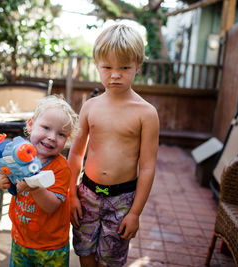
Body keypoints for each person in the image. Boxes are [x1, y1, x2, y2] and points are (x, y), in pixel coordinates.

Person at [68, 24, 160, 267]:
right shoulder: (90, 107)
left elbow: (148, 167)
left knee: (110, 260)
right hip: (87, 194)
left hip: (122, 200)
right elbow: (77, 152)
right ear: (97, 66)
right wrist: (71, 195)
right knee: (84, 249)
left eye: (124, 67)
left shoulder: (146, 114)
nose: (115, 74)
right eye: (107, 67)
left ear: (138, 66)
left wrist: (135, 213)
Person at [0, 95, 79, 266]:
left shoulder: (60, 168)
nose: (52, 137)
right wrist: (0, 178)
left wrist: (34, 186)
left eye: (61, 134)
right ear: (31, 125)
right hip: (20, 239)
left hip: (50, 247)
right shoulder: (18, 154)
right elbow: (7, 174)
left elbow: (51, 205)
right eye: (46, 128)